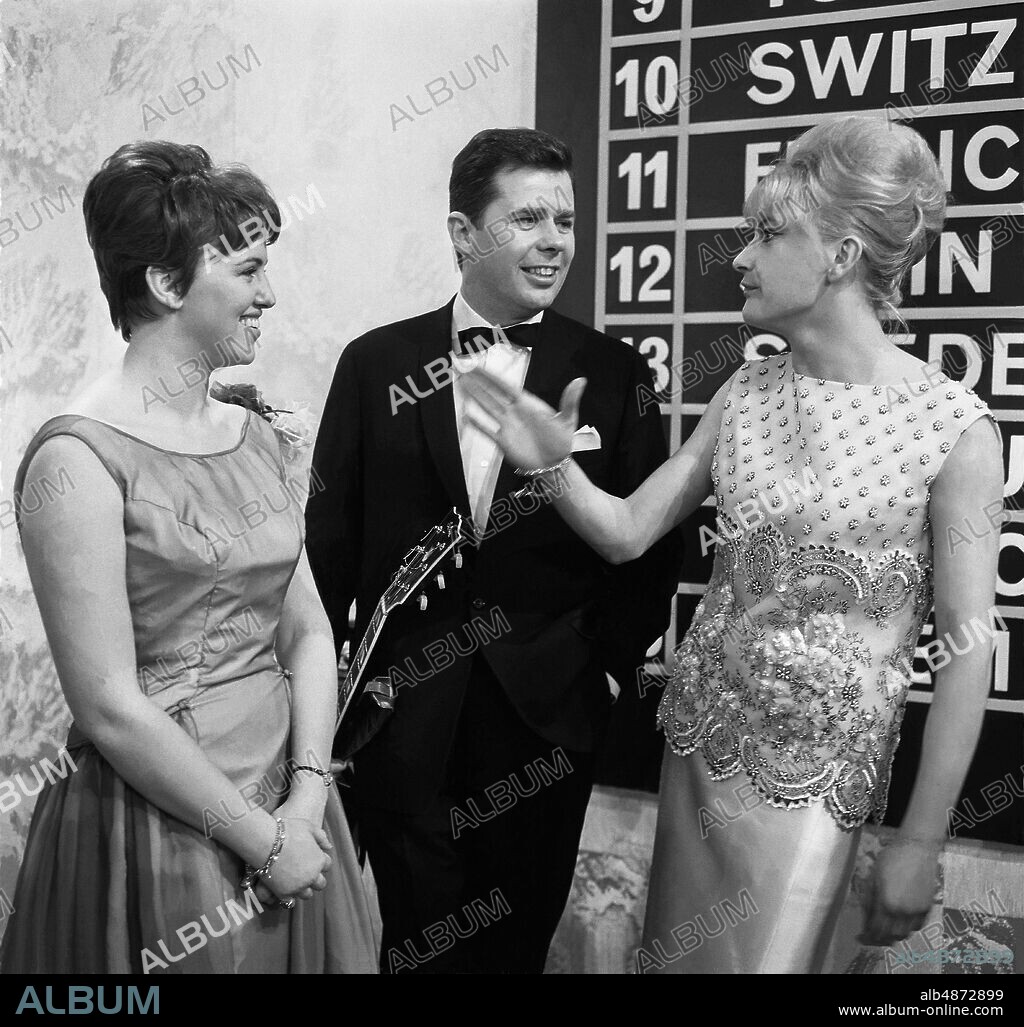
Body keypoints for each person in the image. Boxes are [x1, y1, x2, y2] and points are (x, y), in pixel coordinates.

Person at [461, 115, 1002, 973]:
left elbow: (971, 649)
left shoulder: (954, 430)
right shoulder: (746, 391)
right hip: (698, 763)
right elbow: (628, 532)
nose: (742, 258)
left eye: (768, 234)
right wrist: (553, 468)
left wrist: (921, 839)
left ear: (842, 257)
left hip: (819, 788)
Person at [306, 127, 682, 974]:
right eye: (528, 219)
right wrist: (321, 705)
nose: (554, 241)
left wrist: (606, 675)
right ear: (462, 233)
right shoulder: (377, 364)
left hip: (546, 724)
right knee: (415, 947)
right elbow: (328, 549)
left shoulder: (614, 370)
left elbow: (654, 547)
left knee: (514, 952)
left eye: (567, 220)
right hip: (404, 719)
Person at [0, 141, 378, 973]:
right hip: (163, 825)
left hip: (293, 802)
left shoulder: (259, 435)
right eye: (247, 271)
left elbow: (310, 631)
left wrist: (308, 796)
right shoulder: (77, 460)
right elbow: (108, 706)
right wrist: (260, 842)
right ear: (167, 285)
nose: (269, 294)